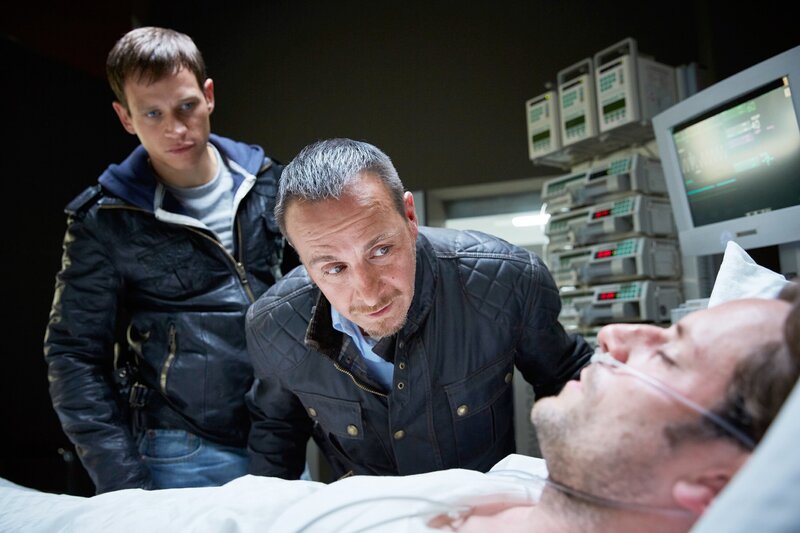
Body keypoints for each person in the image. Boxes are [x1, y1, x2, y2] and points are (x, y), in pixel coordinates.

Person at [5, 289, 797, 533]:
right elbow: (272, 441)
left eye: (668, 352)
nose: (619, 333)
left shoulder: (496, 285)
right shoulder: (531, 480)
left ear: (716, 483)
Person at [245, 138, 594, 480]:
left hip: (486, 508)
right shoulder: (273, 326)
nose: (369, 294)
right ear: (303, 262)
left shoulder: (506, 280)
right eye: (335, 268)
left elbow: (566, 378)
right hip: (372, 512)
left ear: (409, 216)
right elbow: (275, 439)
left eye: (381, 250)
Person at [43, 26, 294, 494]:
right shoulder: (104, 218)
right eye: (152, 113)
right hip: (178, 450)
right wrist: (124, 485)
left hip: (281, 439)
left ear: (208, 96)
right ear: (125, 117)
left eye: (186, 106)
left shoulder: (270, 182)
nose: (175, 129)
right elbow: (72, 355)